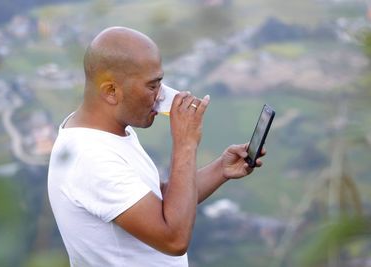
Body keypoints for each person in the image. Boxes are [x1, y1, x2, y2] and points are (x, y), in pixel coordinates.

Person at [47, 26, 266, 267]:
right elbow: (173, 239)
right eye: (152, 86)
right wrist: (185, 143)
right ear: (111, 91)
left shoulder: (111, 130)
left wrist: (220, 170)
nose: (161, 96)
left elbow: (158, 201)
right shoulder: (90, 158)